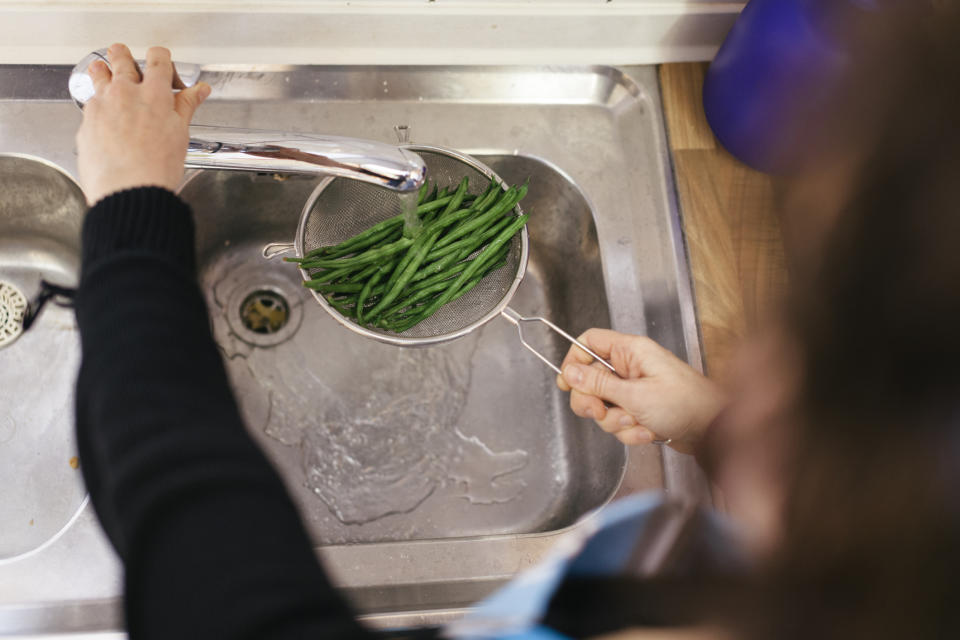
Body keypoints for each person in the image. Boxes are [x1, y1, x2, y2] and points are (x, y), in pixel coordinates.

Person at [73, 10, 960, 638]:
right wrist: (714, 431)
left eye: (798, 307)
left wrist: (131, 204)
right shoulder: (833, 572)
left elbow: (181, 518)